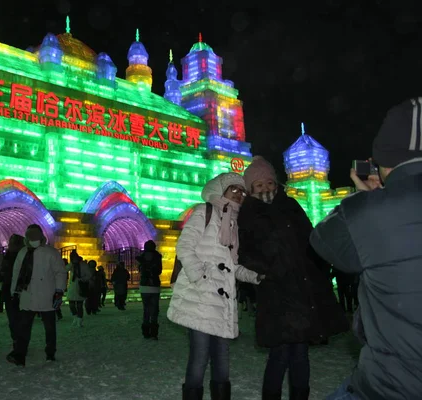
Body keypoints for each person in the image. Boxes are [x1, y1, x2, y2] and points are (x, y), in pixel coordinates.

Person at [310, 98, 422, 400]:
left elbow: (322, 241)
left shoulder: (367, 213)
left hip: (394, 384)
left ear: (382, 162)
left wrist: (367, 200)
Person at [238, 157, 348, 400]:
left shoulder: (291, 206)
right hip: (276, 294)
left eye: (269, 182)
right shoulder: (247, 214)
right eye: (258, 185)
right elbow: (244, 252)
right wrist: (268, 270)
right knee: (280, 354)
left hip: (301, 290)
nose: (265, 188)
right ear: (250, 189)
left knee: (300, 352)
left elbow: (311, 240)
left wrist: (320, 267)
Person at [168, 172, 263, 400]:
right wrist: (201, 279)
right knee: (199, 357)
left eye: (242, 191)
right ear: (220, 190)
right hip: (200, 299)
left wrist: (256, 277)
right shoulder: (204, 212)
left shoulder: (234, 223)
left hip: (222, 304)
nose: (239, 194)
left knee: (222, 359)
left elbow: (233, 266)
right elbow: (185, 248)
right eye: (234, 189)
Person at [7, 224, 67, 366]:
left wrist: (59, 291)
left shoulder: (50, 253)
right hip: (28, 294)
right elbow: (16, 273)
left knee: (49, 327)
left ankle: (50, 352)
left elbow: (60, 272)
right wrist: (14, 292)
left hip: (47, 294)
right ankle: (20, 355)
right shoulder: (23, 253)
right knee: (24, 328)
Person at [0, 234, 24, 351]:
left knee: (19, 318)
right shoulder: (7, 257)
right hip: (9, 291)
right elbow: (3, 273)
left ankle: (20, 341)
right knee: (13, 319)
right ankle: (17, 340)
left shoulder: (25, 256)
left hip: (22, 291)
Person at [136, 240, 162, 340]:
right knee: (154, 310)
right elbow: (159, 271)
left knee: (146, 309)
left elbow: (141, 271)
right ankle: (154, 333)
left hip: (144, 285)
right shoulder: (157, 257)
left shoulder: (141, 257)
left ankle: (146, 332)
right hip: (154, 285)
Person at [65, 250, 91, 327]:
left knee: (79, 305)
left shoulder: (83, 265)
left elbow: (89, 274)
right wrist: (71, 264)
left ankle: (79, 320)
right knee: (72, 305)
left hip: (80, 286)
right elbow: (65, 269)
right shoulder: (72, 265)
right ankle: (75, 317)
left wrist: (83, 279)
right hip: (73, 287)